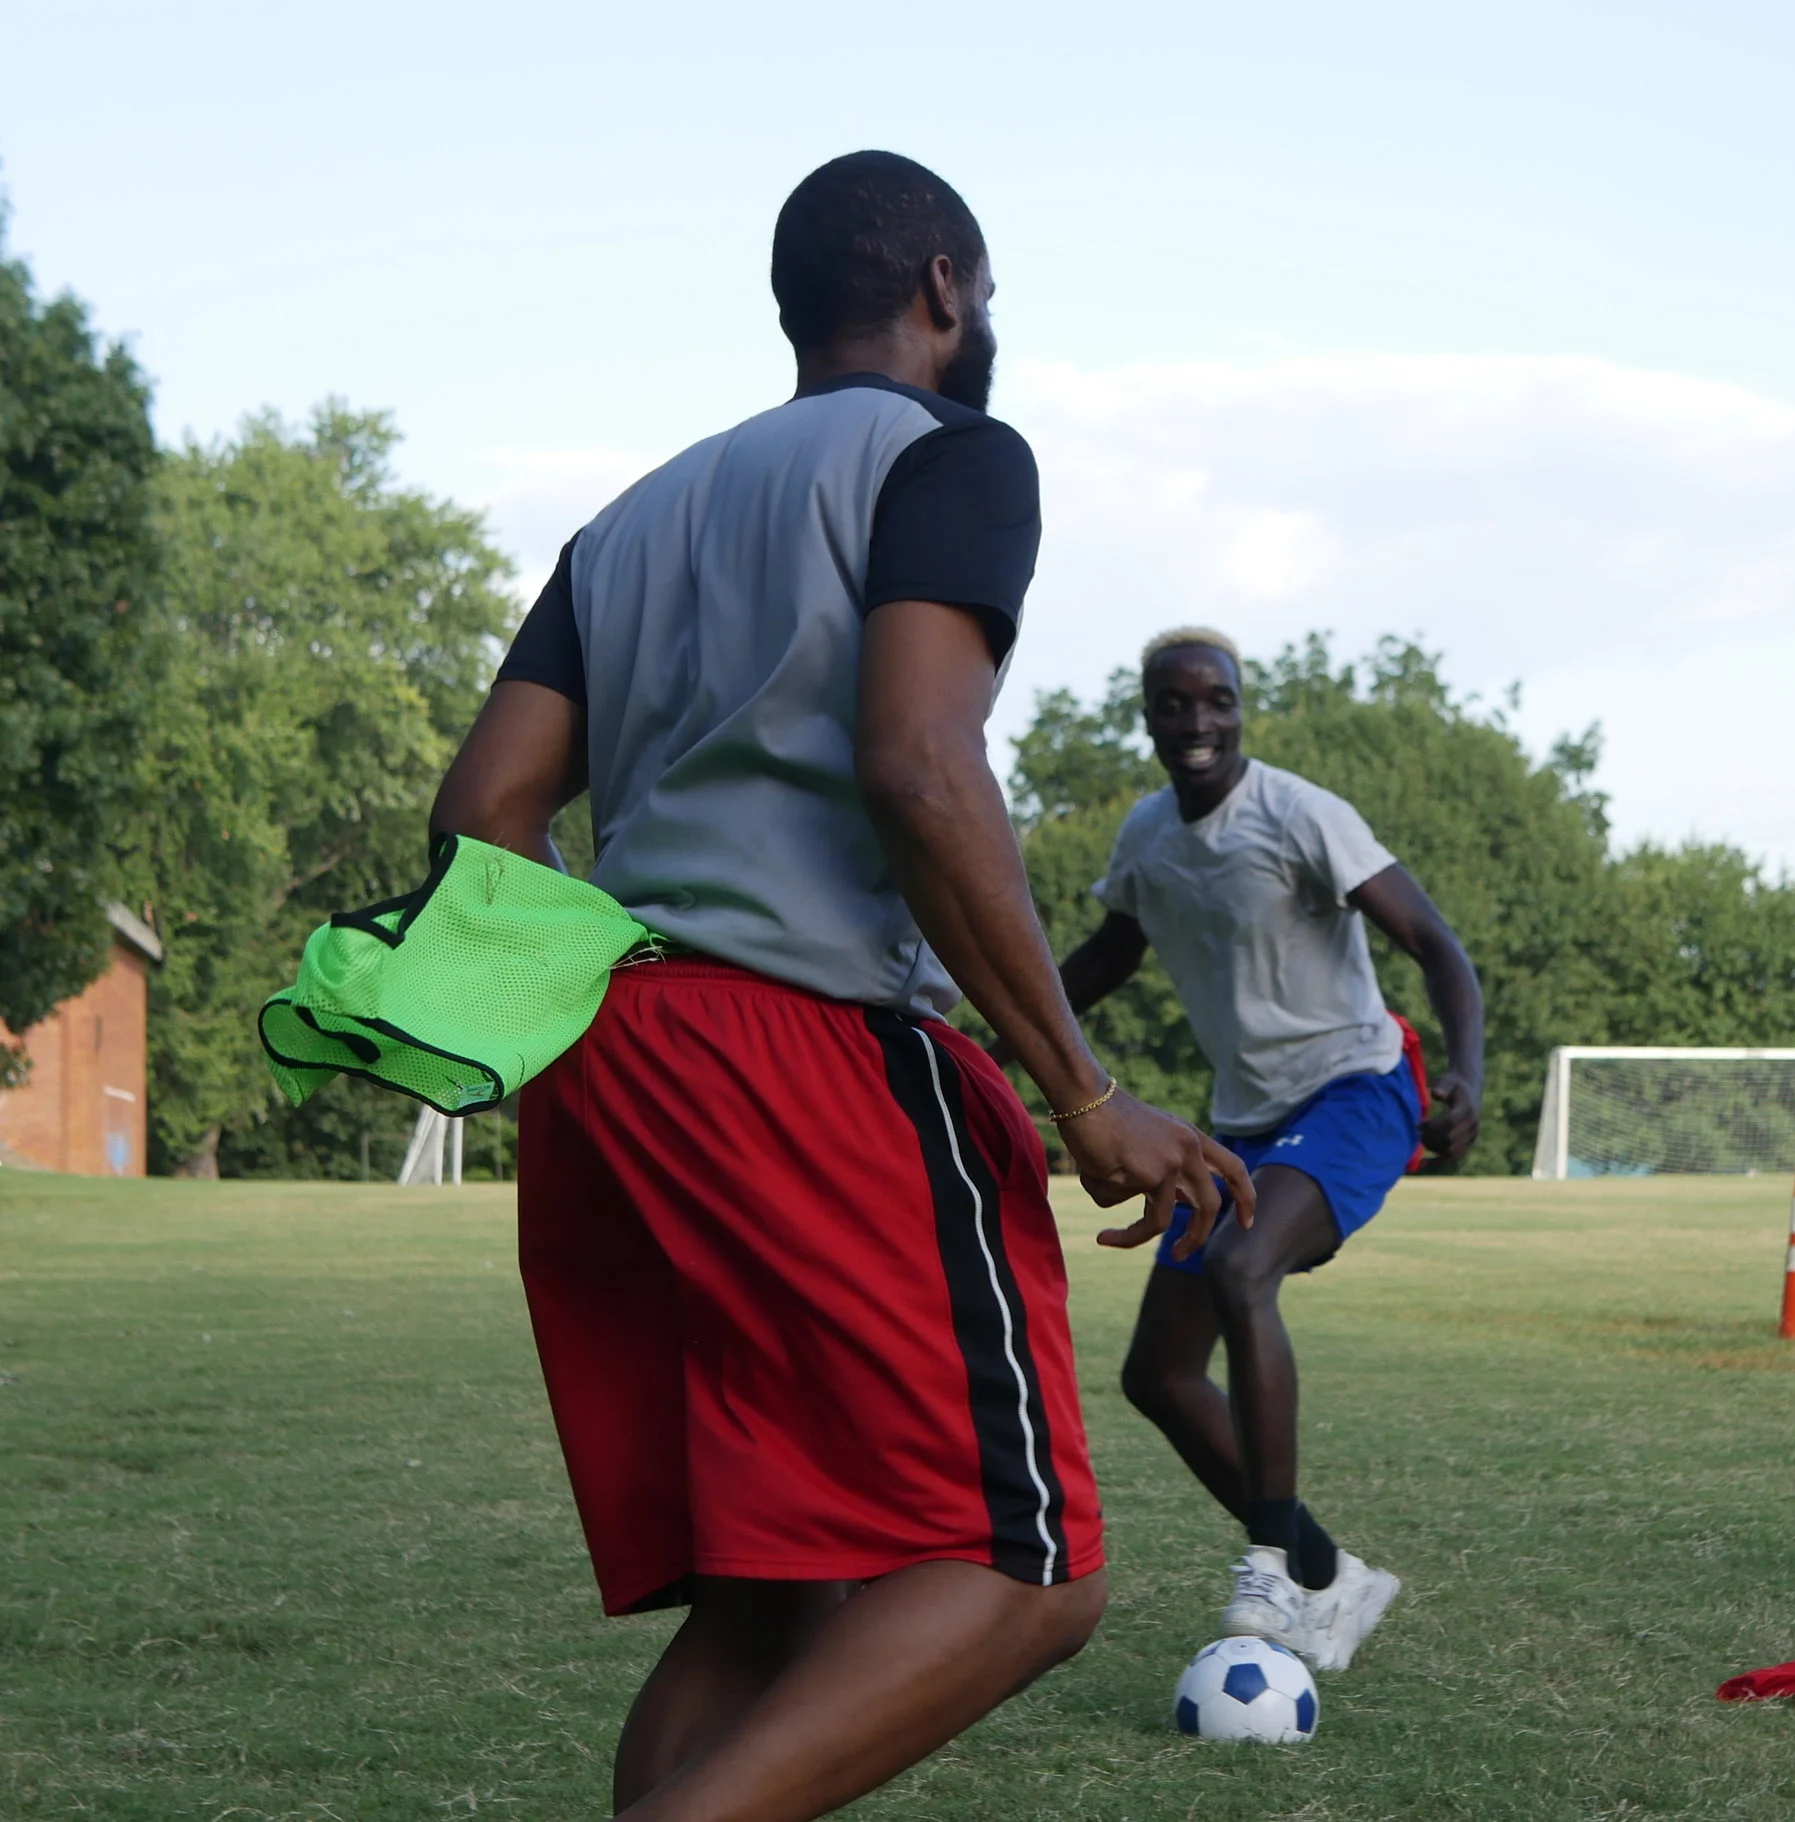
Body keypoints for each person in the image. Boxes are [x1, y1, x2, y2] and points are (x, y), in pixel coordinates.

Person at [426, 152, 1252, 1822]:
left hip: (605, 1042)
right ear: (945, 286)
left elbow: (483, 810)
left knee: (776, 1591)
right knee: (1028, 1569)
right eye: (989, 293)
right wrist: (1084, 1094)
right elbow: (921, 765)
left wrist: (596, 1007)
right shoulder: (949, 455)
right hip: (794, 1045)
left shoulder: (635, 513)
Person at [1033, 628, 1484, 1673]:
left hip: (1356, 1090)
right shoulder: (1147, 837)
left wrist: (1468, 1073)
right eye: (1175, 704)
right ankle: (1332, 1575)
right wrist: (996, 1028)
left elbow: (1435, 944)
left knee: (1243, 1268)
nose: (1198, 723)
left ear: (1243, 707)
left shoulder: (1298, 813)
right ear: (1145, 715)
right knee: (1157, 1373)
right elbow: (1108, 954)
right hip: (1240, 1120)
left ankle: (1273, 1567)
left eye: (1217, 700)